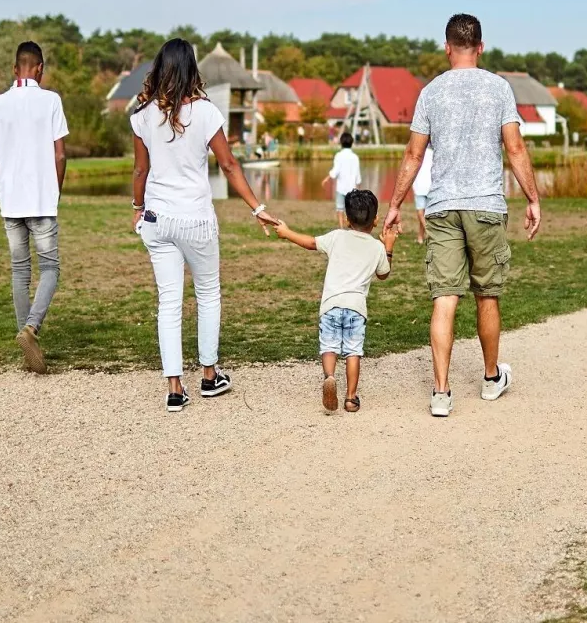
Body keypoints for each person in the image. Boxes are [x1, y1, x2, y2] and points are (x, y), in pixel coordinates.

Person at [384, 14, 541, 418]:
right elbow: (516, 149)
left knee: (445, 297)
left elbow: (414, 155)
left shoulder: (431, 92)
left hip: (442, 207)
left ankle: (441, 392)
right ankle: (491, 380)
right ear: (482, 47)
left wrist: (395, 204)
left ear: (447, 46)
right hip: (486, 205)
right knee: (487, 295)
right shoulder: (499, 88)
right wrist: (533, 198)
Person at [130, 39, 279, 412]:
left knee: (169, 302)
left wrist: (137, 207)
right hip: (195, 219)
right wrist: (256, 206)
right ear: (192, 68)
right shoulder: (206, 113)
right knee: (208, 293)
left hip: (158, 220)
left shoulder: (143, 114)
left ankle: (175, 389)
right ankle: (209, 377)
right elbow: (228, 165)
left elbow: (140, 170)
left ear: (160, 67)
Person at [269, 189, 398, 414]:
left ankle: (329, 378)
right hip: (356, 308)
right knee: (353, 351)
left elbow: (310, 243)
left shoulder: (337, 237)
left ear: (347, 219)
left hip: (330, 305)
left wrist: (286, 232)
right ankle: (350, 397)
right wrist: (388, 246)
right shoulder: (376, 247)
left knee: (329, 347)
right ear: (376, 220)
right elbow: (383, 273)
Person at [0, 41, 69, 373]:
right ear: (40, 70)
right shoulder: (51, 101)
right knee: (50, 268)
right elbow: (60, 154)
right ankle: (31, 329)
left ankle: (25, 341)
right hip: (41, 201)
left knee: (20, 271)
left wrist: (4, 186)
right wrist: (55, 191)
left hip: (11, 202)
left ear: (15, 69)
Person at [322, 131, 361, 228]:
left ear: (341, 143)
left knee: (340, 209)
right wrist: (359, 185)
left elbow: (335, 171)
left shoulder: (339, 155)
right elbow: (357, 173)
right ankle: (352, 227)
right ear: (351, 143)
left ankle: (341, 228)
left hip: (341, 187)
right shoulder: (355, 157)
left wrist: (327, 179)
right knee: (351, 209)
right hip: (352, 187)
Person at [410, 144, 434, 244]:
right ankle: (420, 237)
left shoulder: (418, 152)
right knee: (425, 213)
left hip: (421, 185)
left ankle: (429, 232)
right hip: (429, 185)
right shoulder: (433, 153)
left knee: (421, 213)